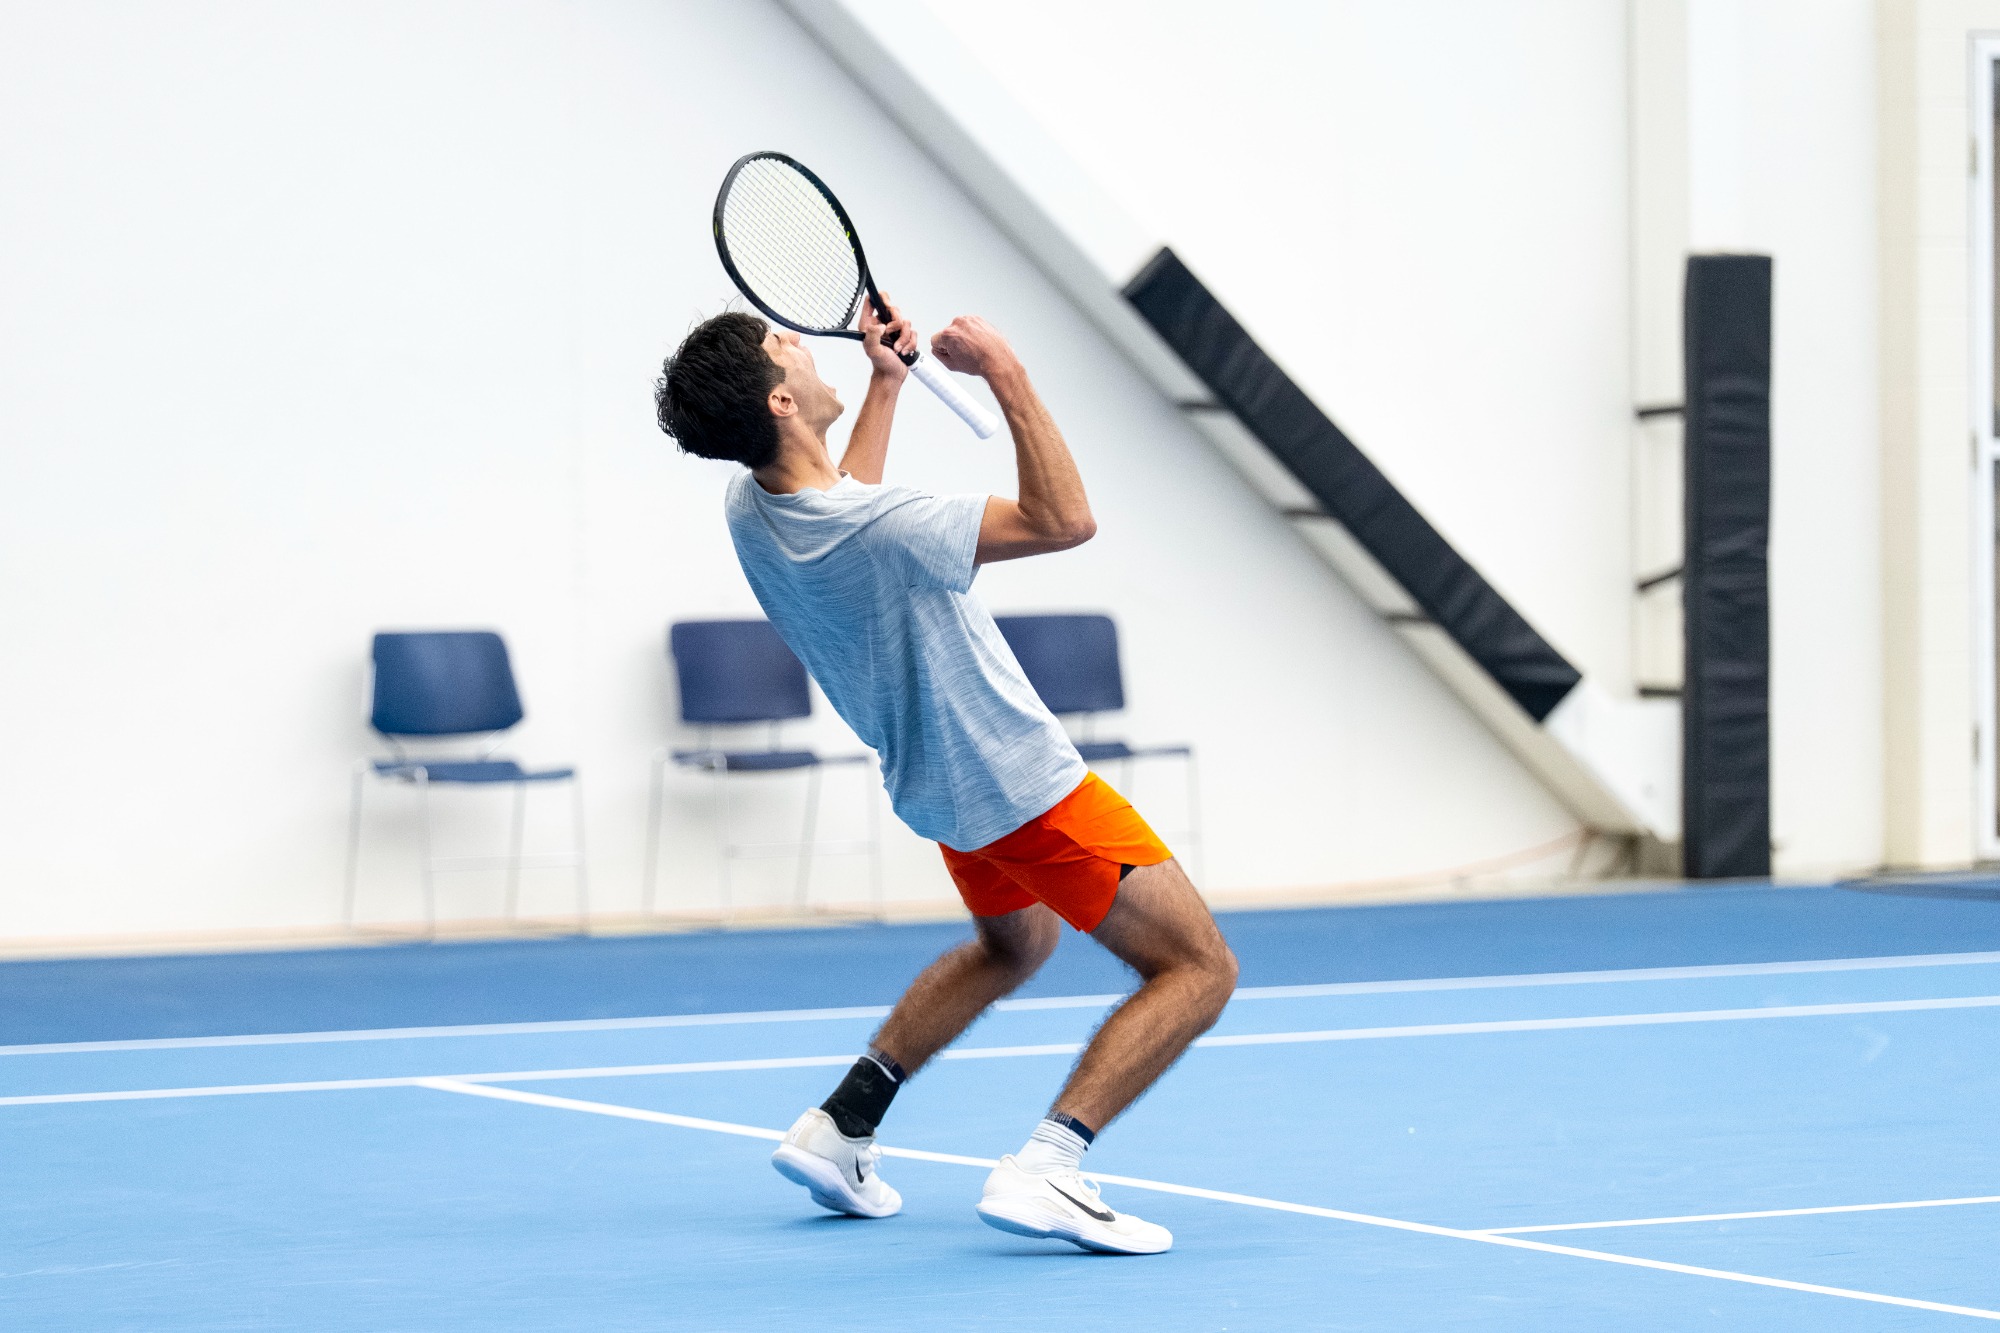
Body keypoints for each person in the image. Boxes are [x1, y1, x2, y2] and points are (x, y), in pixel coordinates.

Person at [652, 297, 1237, 1255]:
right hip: (1025, 785)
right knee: (1199, 967)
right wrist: (1004, 370)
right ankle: (1049, 1165)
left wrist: (885, 384)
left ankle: (841, 1124)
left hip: (941, 791)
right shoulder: (887, 526)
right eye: (780, 343)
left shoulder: (753, 508)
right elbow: (1064, 519)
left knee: (1015, 947)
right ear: (781, 402)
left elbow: (842, 495)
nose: (796, 340)